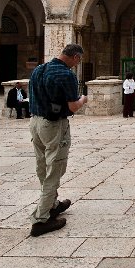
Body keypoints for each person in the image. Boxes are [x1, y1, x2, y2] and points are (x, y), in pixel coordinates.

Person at [28, 43, 88, 237]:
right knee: (55, 168)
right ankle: (41, 219)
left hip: (35, 122)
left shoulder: (39, 69)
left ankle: (52, 204)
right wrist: (83, 99)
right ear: (76, 57)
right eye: (79, 60)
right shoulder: (66, 75)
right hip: (53, 126)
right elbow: (72, 107)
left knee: (43, 166)